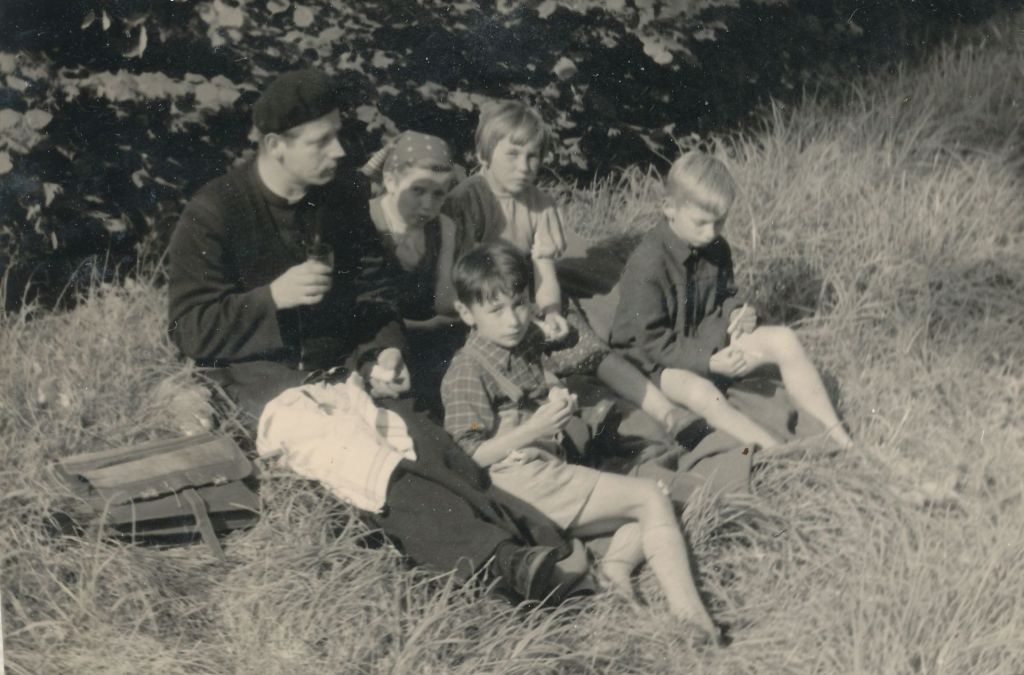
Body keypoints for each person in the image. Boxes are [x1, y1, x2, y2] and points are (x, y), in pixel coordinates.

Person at [167, 69, 586, 602]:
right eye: (322, 141)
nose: (340, 151)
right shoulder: (216, 211)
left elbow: (374, 295)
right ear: (275, 146)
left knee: (427, 443)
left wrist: (385, 351)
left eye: (338, 135)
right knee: (364, 460)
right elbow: (188, 329)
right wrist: (271, 297)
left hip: (342, 368)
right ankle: (500, 564)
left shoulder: (340, 197)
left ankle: (541, 537)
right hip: (258, 381)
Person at [441, 242, 722, 640]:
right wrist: (534, 428)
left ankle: (614, 572)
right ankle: (690, 616)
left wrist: (555, 391)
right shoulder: (466, 371)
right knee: (649, 498)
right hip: (517, 481)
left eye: (519, 304)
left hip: (546, 471)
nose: (513, 319)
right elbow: (469, 456)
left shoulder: (523, 341)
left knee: (652, 500)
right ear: (466, 313)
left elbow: (566, 356)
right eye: (496, 310)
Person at [441, 100, 694, 439]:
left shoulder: (539, 203)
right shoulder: (466, 200)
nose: (524, 167)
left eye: (533, 156)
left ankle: (667, 412)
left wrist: (550, 312)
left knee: (588, 347)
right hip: (487, 303)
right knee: (518, 364)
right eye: (512, 155)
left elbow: (543, 270)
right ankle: (571, 418)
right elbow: (461, 278)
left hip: (525, 295)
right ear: (485, 153)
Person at [609, 151, 854, 450]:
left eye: (719, 222)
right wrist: (708, 361)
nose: (711, 233)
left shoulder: (716, 247)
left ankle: (841, 440)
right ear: (669, 208)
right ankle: (781, 455)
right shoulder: (648, 263)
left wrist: (737, 312)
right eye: (701, 222)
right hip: (651, 362)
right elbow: (648, 342)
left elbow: (726, 295)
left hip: (702, 340)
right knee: (702, 393)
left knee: (784, 339)